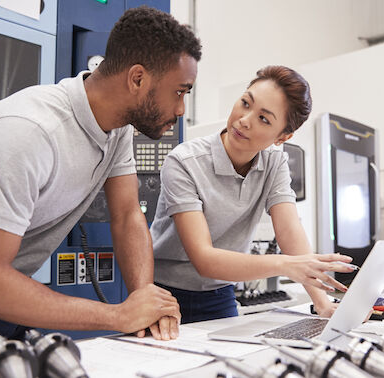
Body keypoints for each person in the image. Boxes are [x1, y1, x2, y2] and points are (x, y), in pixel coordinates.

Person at [0, 6, 201, 341]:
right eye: (179, 91)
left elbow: (126, 215)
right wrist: (118, 314)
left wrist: (144, 303)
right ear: (137, 79)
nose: (182, 109)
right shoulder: (28, 131)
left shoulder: (118, 128)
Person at [150, 66, 355, 323]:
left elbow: (289, 229)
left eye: (264, 119)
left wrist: (322, 303)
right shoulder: (184, 161)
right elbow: (204, 258)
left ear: (283, 137)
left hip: (219, 292)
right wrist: (285, 264)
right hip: (163, 293)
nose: (245, 119)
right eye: (245, 103)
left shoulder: (274, 161)